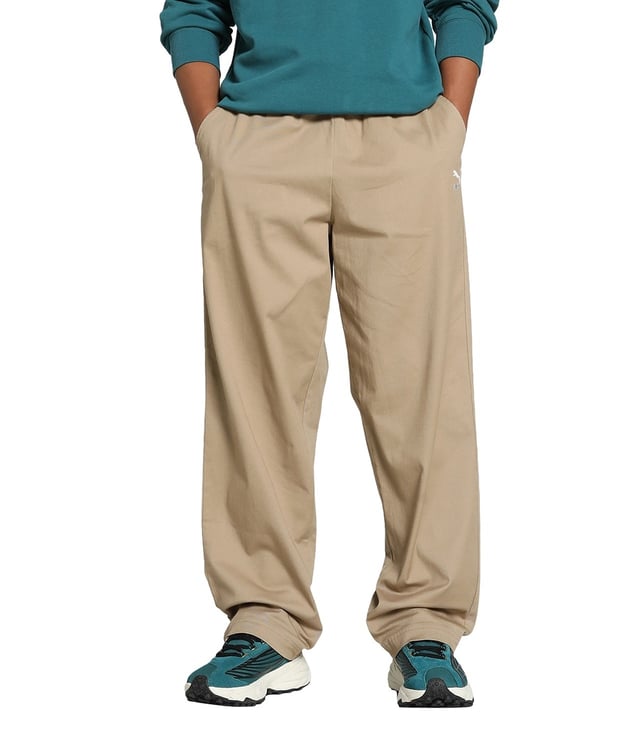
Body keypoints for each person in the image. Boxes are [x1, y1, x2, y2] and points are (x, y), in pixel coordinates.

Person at [158, 0, 498, 709]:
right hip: (259, 138)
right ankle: (264, 619)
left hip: (406, 136)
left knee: (422, 390)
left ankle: (427, 624)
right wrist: (214, 135)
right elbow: (193, 8)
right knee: (256, 389)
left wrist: (449, 123)